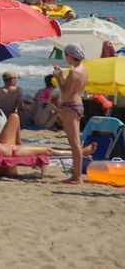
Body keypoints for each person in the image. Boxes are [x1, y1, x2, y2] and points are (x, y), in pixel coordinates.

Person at [55, 43, 89, 183]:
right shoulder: (83, 70)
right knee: (75, 142)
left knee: (74, 143)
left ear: (70, 56)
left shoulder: (74, 72)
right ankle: (76, 175)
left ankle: (77, 176)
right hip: (78, 104)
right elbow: (73, 89)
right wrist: (63, 76)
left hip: (69, 106)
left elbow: (65, 91)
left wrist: (58, 77)